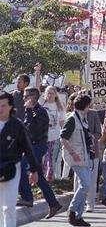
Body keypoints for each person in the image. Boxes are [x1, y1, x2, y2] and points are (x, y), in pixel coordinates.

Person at [17, 87, 61, 218]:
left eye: (26, 96)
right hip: (31, 146)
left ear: (32, 97)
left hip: (38, 146)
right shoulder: (29, 110)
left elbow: (33, 130)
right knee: (39, 177)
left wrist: (29, 111)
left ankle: (27, 198)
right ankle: (53, 203)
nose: (24, 99)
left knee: (20, 167)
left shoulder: (41, 111)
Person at [0, 91, 39, 227]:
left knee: (9, 207)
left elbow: (27, 148)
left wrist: (33, 170)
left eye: (3, 105)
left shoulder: (17, 125)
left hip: (12, 169)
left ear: (10, 106)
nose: (0, 109)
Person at [60, 93, 94, 227]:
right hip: (76, 157)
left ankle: (78, 217)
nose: (90, 108)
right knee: (85, 184)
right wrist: (73, 153)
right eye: (89, 105)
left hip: (84, 156)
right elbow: (63, 138)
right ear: (85, 106)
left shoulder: (82, 119)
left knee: (86, 185)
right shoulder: (72, 118)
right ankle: (72, 211)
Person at [40, 86, 65, 181]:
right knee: (43, 156)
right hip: (42, 135)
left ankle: (49, 177)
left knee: (51, 156)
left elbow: (62, 122)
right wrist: (37, 73)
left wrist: (63, 136)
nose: (50, 95)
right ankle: (43, 176)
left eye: (52, 93)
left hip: (55, 135)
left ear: (55, 95)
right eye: (48, 93)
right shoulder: (42, 103)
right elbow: (37, 89)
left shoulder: (59, 106)